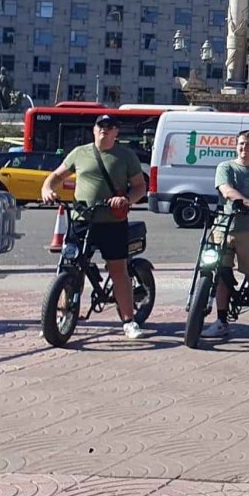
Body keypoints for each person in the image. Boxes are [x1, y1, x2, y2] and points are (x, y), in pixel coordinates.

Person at [40, 114, 154, 340]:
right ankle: (63, 315)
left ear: (116, 133)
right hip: (81, 220)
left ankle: (129, 322)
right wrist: (47, 189)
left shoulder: (125, 156)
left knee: (118, 270)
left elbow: (140, 187)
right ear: (94, 130)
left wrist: (127, 200)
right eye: (101, 125)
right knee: (70, 267)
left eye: (110, 127)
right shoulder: (79, 153)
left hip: (112, 222)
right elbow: (55, 176)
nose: (105, 129)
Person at [201, 129, 249, 340]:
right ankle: (221, 321)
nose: (245, 148)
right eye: (241, 144)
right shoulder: (225, 167)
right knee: (222, 275)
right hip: (224, 228)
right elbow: (226, 190)